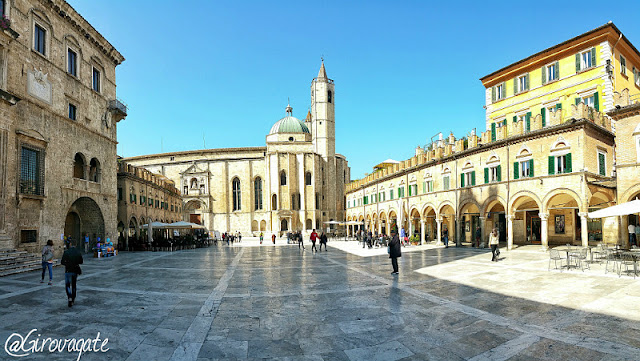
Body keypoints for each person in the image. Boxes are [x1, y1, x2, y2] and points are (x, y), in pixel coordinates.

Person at [61, 240, 83, 307]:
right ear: (75, 245)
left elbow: (62, 262)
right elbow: (81, 261)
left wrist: (67, 263)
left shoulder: (66, 252)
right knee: (74, 285)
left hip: (68, 270)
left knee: (67, 285)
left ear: (70, 244)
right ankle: (73, 299)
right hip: (75, 270)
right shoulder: (78, 252)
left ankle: (69, 297)